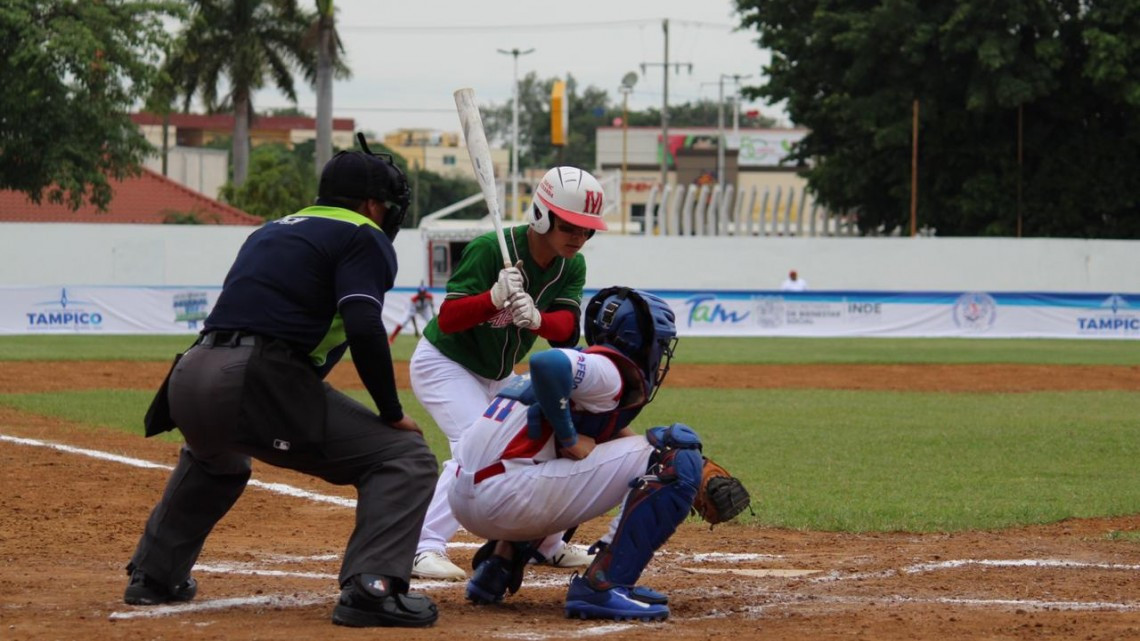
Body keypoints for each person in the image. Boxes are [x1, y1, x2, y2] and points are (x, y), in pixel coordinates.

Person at [123, 134, 440, 628]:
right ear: (373, 204)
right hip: (254, 377)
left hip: (189, 374)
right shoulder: (363, 234)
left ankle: (154, 575)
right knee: (407, 458)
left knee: (217, 461)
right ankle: (373, 589)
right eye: (389, 205)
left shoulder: (270, 230)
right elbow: (362, 324)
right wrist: (391, 412)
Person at [448, 286, 697, 621]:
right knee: (676, 451)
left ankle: (498, 566)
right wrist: (569, 437)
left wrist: (574, 438)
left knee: (574, 454)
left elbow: (602, 435)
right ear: (640, 340)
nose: (661, 351)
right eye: (660, 343)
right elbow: (547, 361)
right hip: (503, 499)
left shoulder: (590, 370)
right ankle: (603, 585)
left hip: (470, 495)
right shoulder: (606, 371)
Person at [409, 166, 607, 581]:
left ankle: (545, 545)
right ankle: (422, 547)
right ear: (542, 215)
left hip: (498, 374)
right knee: (472, 447)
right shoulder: (487, 249)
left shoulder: (571, 266)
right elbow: (448, 319)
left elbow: (567, 333)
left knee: (541, 445)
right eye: (570, 225)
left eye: (587, 230)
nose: (578, 237)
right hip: (445, 363)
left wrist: (537, 319)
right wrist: (493, 297)